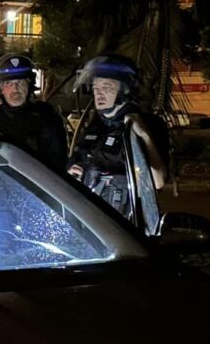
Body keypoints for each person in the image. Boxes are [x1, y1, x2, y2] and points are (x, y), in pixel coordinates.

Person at [68, 53, 169, 219]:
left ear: (125, 89)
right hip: (90, 218)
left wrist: (144, 136)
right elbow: (75, 165)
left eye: (106, 87)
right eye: (96, 88)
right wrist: (76, 172)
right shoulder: (95, 126)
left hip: (126, 222)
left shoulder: (149, 124)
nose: (99, 93)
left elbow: (158, 182)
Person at [0, 53, 68, 172]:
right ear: (1, 89)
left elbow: (58, 165)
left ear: (29, 86)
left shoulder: (47, 119)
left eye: (21, 83)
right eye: (9, 83)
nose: (15, 89)